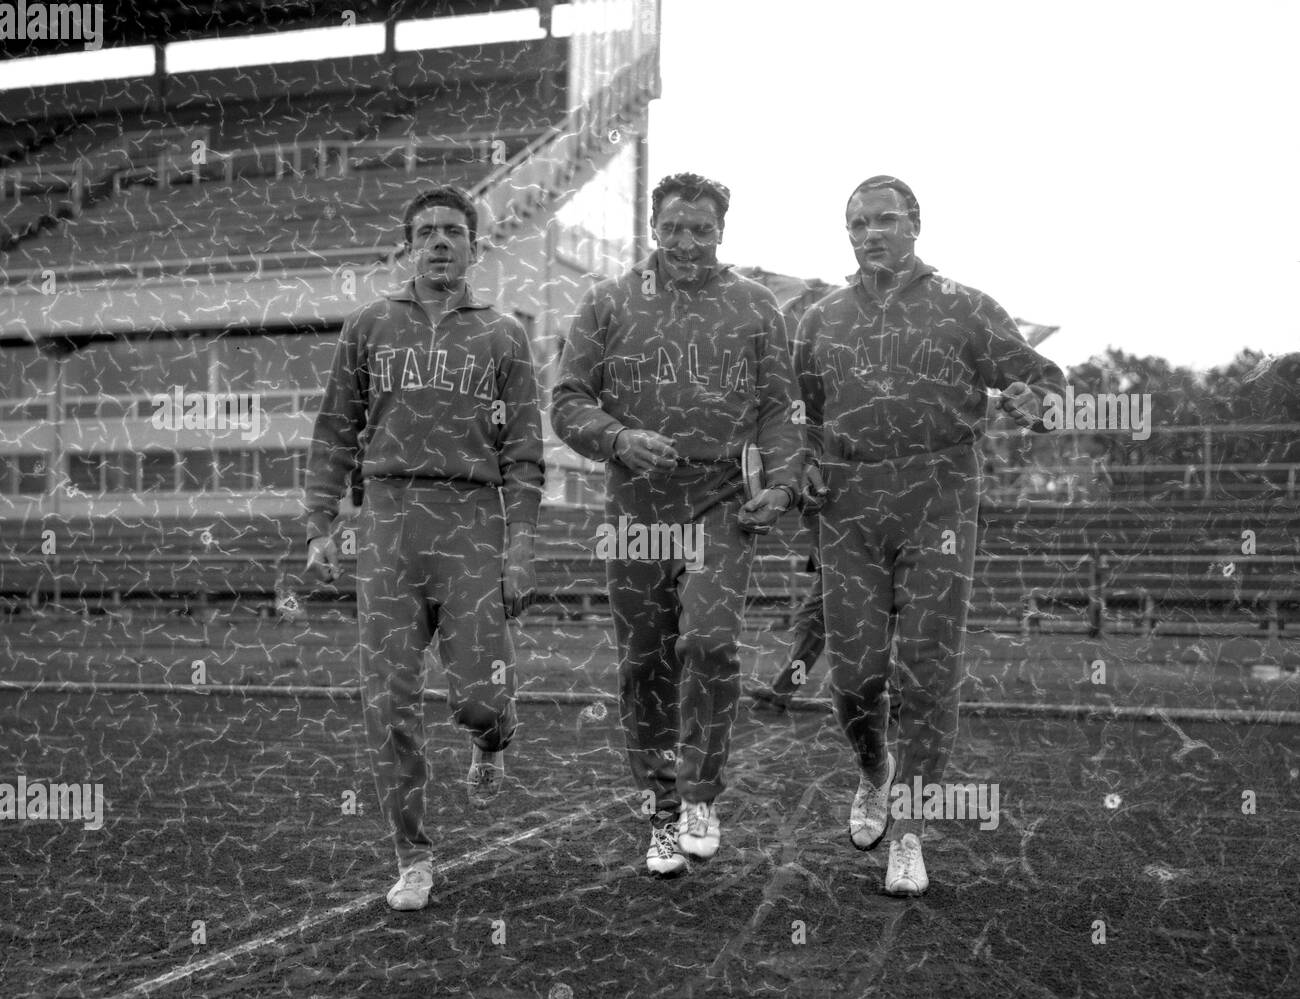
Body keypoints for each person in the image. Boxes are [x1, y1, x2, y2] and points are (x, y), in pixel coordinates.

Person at [798, 175, 1064, 896]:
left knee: (926, 671)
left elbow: (1048, 391)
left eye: (885, 219)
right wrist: (804, 465)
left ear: (916, 223)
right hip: (850, 505)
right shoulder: (820, 318)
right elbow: (800, 415)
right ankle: (873, 769)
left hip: (939, 496)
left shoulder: (966, 308)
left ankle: (910, 832)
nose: (870, 232)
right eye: (857, 222)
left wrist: (1032, 402)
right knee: (854, 678)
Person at [552, 172, 802, 877]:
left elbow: (783, 408)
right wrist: (616, 436)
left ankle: (700, 792)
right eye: (674, 227)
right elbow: (567, 400)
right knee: (644, 662)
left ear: (721, 230)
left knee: (711, 640)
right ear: (654, 228)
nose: (687, 241)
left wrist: (783, 482)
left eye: (701, 228)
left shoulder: (756, 307)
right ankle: (660, 811)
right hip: (635, 503)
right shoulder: (608, 302)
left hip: (717, 499)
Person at [304, 184, 544, 911]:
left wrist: (522, 544)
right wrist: (322, 522)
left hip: (471, 518)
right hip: (387, 518)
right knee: (389, 702)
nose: (440, 241)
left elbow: (526, 452)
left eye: (454, 231)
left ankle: (493, 735)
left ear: (475, 246)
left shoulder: (504, 334)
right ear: (407, 247)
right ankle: (413, 853)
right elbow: (334, 429)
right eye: (426, 232)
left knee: (477, 699)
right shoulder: (369, 327)